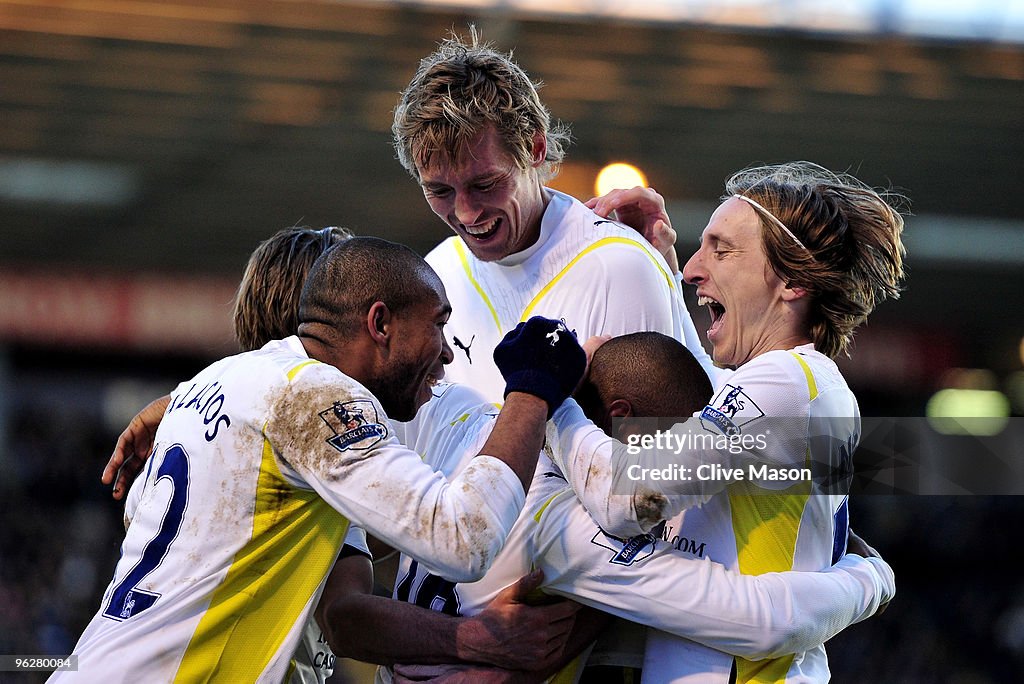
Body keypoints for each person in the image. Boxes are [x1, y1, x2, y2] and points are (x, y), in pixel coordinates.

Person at [57, 236, 587, 682]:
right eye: (438, 325)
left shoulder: (215, 384)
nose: (448, 353)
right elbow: (463, 537)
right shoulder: (319, 400)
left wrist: (471, 640)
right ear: (379, 322)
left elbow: (345, 610)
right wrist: (532, 387)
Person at [315, 333, 894, 683]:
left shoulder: (458, 413)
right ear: (622, 420)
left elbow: (341, 613)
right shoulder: (566, 528)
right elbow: (768, 621)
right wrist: (873, 577)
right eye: (666, 443)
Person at [547, 162, 907, 682]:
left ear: (794, 281)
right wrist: (662, 268)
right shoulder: (787, 385)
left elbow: (630, 498)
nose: (694, 268)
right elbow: (704, 396)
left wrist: (550, 402)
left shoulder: (788, 381)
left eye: (722, 249)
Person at [392, 28, 718, 401]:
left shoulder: (620, 268)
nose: (466, 212)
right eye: (440, 191)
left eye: (485, 184)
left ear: (535, 148)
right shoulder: (437, 272)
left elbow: (654, 449)